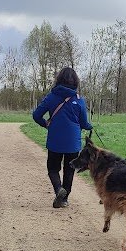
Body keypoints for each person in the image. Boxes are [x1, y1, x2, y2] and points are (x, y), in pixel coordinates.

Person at [32, 67, 93, 208]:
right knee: (69, 170)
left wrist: (45, 124)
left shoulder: (51, 96)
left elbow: (36, 115)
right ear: (75, 82)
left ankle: (59, 189)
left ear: (58, 80)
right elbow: (83, 123)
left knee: (53, 169)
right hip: (73, 143)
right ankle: (64, 199)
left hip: (55, 141)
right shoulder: (79, 100)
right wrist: (90, 127)